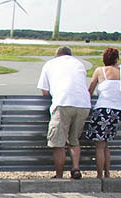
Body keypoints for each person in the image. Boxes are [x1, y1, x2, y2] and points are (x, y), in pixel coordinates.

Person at [37, 46, 91, 179]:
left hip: (63, 102)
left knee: (58, 143)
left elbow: (44, 91)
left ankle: (59, 175)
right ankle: (76, 168)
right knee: (74, 140)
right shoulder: (79, 64)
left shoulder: (50, 64)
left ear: (57, 55)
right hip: (84, 104)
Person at [83, 48, 121, 178]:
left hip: (103, 110)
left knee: (99, 147)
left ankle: (99, 175)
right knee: (106, 145)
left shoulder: (100, 70)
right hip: (117, 111)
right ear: (116, 59)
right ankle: (107, 173)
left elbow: (89, 90)